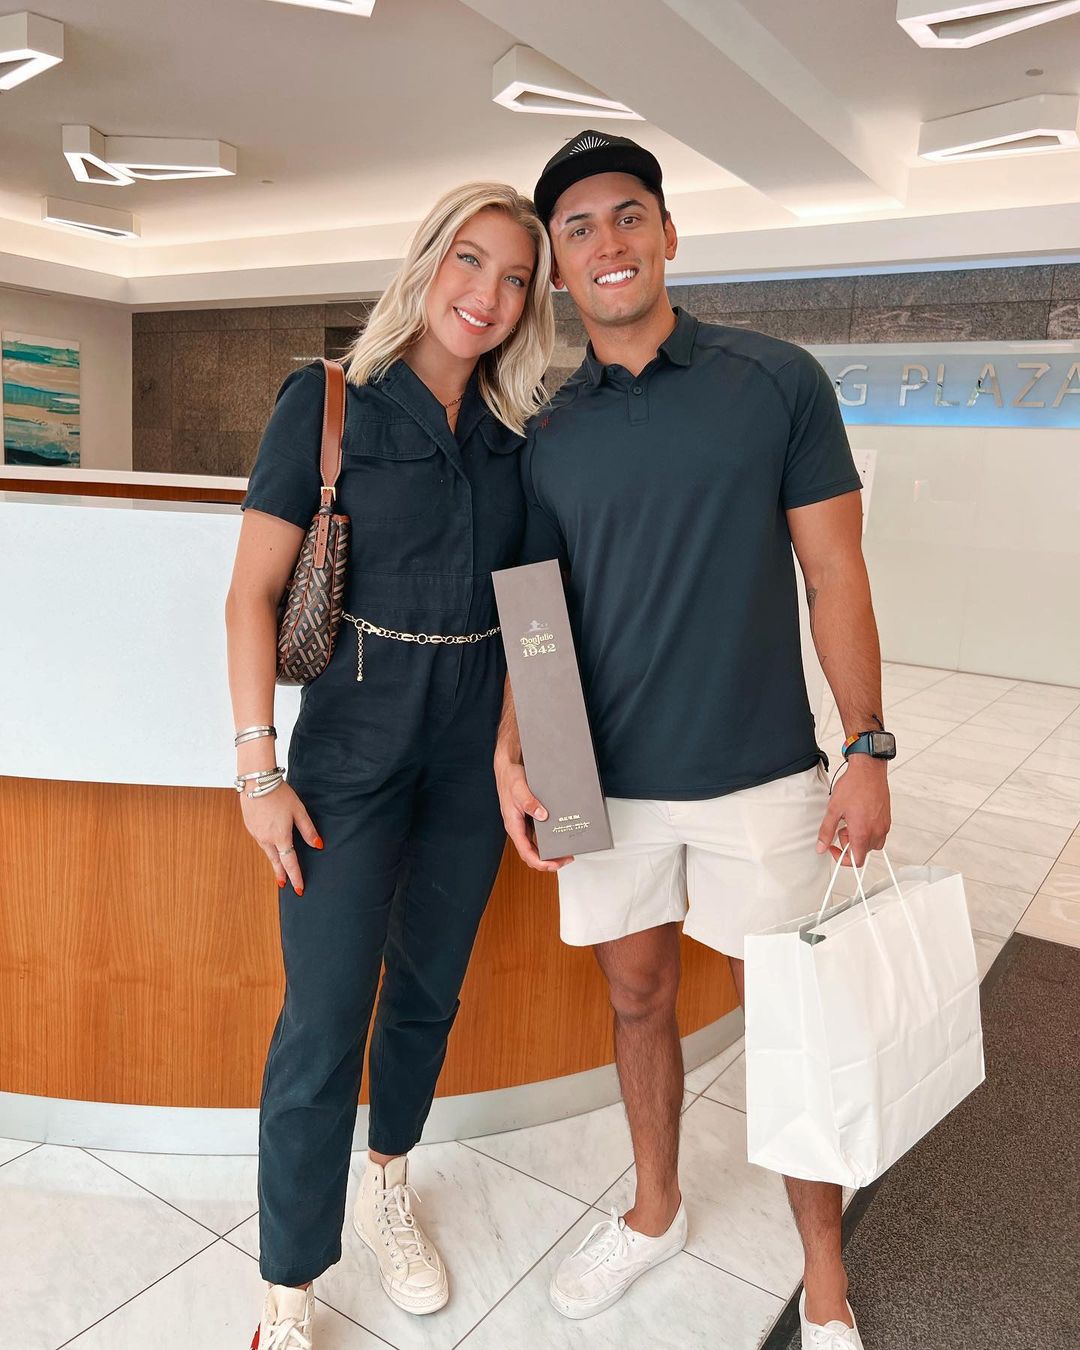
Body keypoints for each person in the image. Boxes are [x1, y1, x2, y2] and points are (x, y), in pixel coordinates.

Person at [494, 131, 893, 1349]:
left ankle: (824, 1277)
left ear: (668, 233)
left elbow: (835, 573)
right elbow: (533, 611)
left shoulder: (775, 381)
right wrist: (517, 750)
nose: (607, 243)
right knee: (636, 996)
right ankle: (656, 1209)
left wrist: (868, 745)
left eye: (629, 215)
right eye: (578, 229)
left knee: (792, 1019)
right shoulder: (543, 427)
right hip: (598, 782)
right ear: (557, 265)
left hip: (759, 774)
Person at [225, 181, 553, 1350]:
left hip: (470, 752)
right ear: (427, 263)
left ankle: (389, 1183)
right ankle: (288, 1290)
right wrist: (258, 773)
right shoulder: (327, 405)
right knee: (322, 1018)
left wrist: (532, 759)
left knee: (426, 993)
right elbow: (252, 596)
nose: (488, 295)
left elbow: (536, 613)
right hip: (350, 750)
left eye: (516, 279)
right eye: (471, 261)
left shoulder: (522, 439)